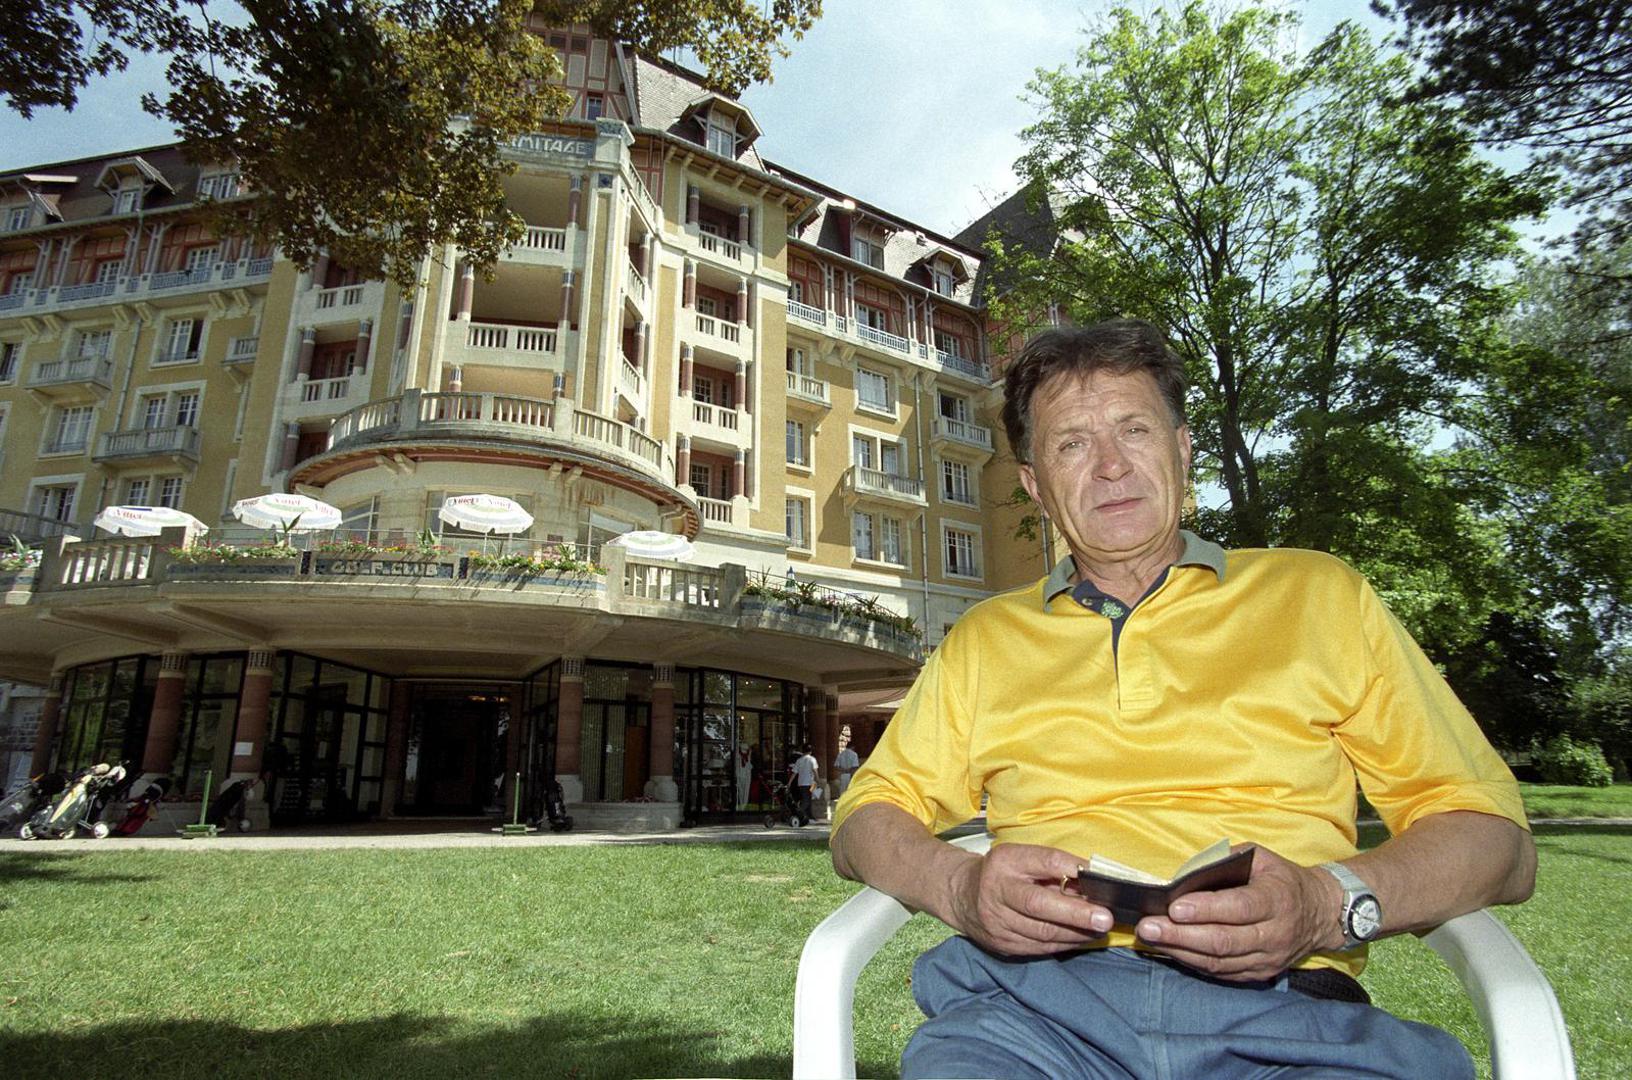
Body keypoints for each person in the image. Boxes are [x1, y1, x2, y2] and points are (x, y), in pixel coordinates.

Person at [830, 320, 1535, 1080]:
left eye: (1134, 430)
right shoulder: (985, 637)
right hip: (1031, 1017)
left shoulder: (1318, 594)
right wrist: (959, 887)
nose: (1110, 466)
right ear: (1035, 484)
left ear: (1183, 447)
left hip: (1292, 1020)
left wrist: (1326, 903)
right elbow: (864, 819)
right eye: (1072, 444)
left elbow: (1498, 843)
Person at [790, 744, 818, 826]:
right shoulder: (812, 759)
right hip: (811, 783)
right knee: (807, 800)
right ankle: (798, 813)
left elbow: (794, 773)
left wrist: (789, 783)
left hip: (801, 783)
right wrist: (818, 780)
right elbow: (815, 771)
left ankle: (809, 816)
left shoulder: (799, 760)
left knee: (808, 799)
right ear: (810, 751)